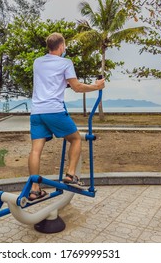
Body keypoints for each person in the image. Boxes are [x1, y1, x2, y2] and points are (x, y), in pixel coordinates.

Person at [28, 32, 105, 201]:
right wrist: (96, 86)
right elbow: (77, 87)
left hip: (36, 112)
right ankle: (71, 175)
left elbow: (51, 82)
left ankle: (34, 189)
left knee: (35, 150)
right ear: (61, 47)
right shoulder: (65, 63)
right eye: (64, 47)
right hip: (53, 110)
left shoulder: (37, 62)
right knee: (76, 139)